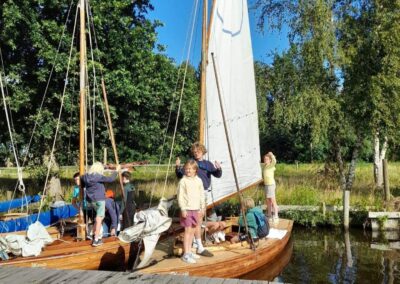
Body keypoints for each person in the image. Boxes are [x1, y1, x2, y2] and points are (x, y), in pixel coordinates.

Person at [175, 142, 222, 257]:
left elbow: (217, 174)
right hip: (191, 195)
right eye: (195, 152)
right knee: (195, 222)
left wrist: (219, 168)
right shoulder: (191, 164)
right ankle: (196, 245)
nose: (196, 153)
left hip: (203, 193)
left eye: (198, 151)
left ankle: (197, 244)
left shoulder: (207, 164)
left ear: (203, 151)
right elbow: (180, 174)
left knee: (198, 220)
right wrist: (177, 167)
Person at [82, 162, 119, 246]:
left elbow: (82, 179)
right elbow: (111, 179)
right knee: (99, 219)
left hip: (91, 200)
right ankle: (96, 239)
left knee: (97, 218)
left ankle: (92, 234)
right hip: (100, 200)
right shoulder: (98, 176)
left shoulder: (86, 177)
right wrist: (116, 171)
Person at [177, 160, 205, 264]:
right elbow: (180, 197)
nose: (188, 170)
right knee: (187, 232)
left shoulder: (198, 180)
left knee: (193, 231)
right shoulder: (183, 181)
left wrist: (203, 208)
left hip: (196, 209)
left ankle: (189, 251)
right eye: (187, 168)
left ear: (195, 170)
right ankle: (186, 254)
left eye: (191, 169)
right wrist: (183, 209)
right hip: (187, 210)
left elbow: (202, 195)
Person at [263, 152, 278, 223]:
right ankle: (269, 214)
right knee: (268, 200)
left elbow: (274, 161)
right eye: (265, 159)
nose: (265, 160)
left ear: (270, 160)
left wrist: (271, 154)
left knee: (272, 200)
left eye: (267, 159)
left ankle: (276, 215)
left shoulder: (271, 165)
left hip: (271, 184)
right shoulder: (264, 166)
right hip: (266, 185)